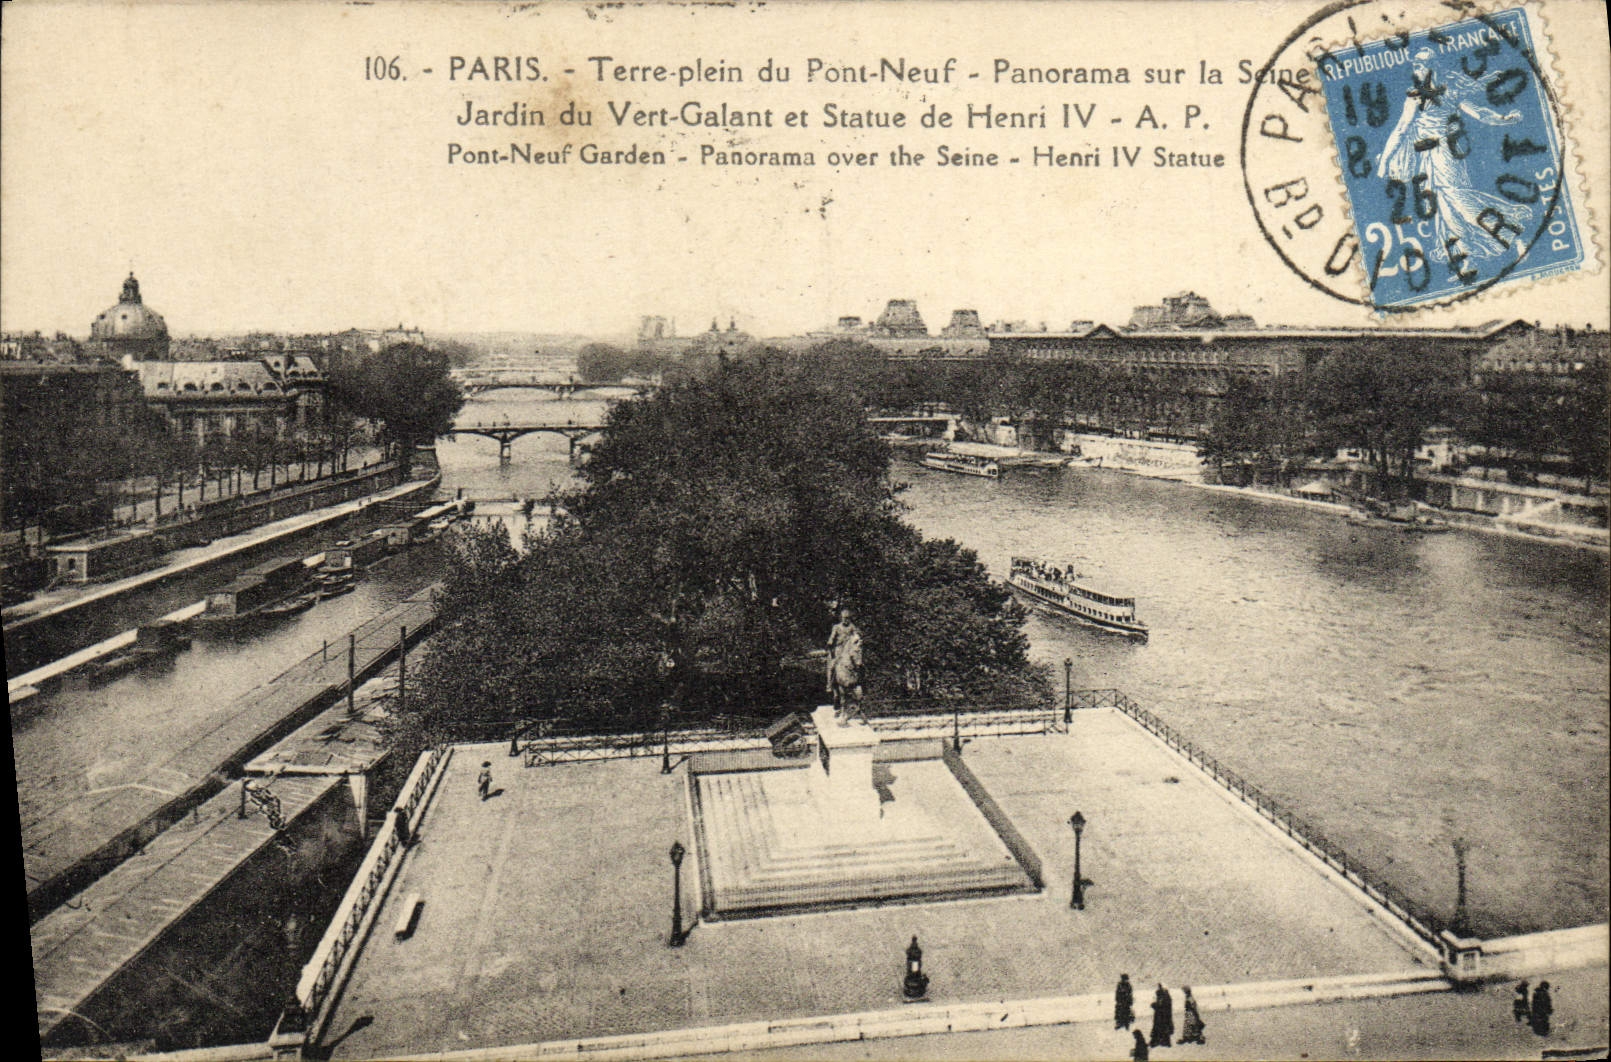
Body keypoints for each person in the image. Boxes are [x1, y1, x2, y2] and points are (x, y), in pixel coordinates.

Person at [1376, 48, 1529, 266]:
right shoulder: (1418, 96)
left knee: (1461, 202)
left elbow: (1478, 112)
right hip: (1428, 159)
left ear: (1431, 67)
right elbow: (1401, 129)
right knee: (1446, 211)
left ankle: (1512, 237)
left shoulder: (1441, 92)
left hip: (1446, 156)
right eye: (1415, 66)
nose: (1416, 70)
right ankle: (1466, 261)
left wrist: (1504, 119)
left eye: (1420, 66)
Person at [1149, 983, 1174, 1048]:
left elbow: (1161, 1006)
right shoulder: (1165, 996)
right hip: (1164, 1016)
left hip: (1162, 1016)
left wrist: (1154, 1005)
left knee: (1160, 1028)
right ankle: (1164, 1042)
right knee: (1163, 1028)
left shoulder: (1164, 996)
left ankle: (1158, 1042)